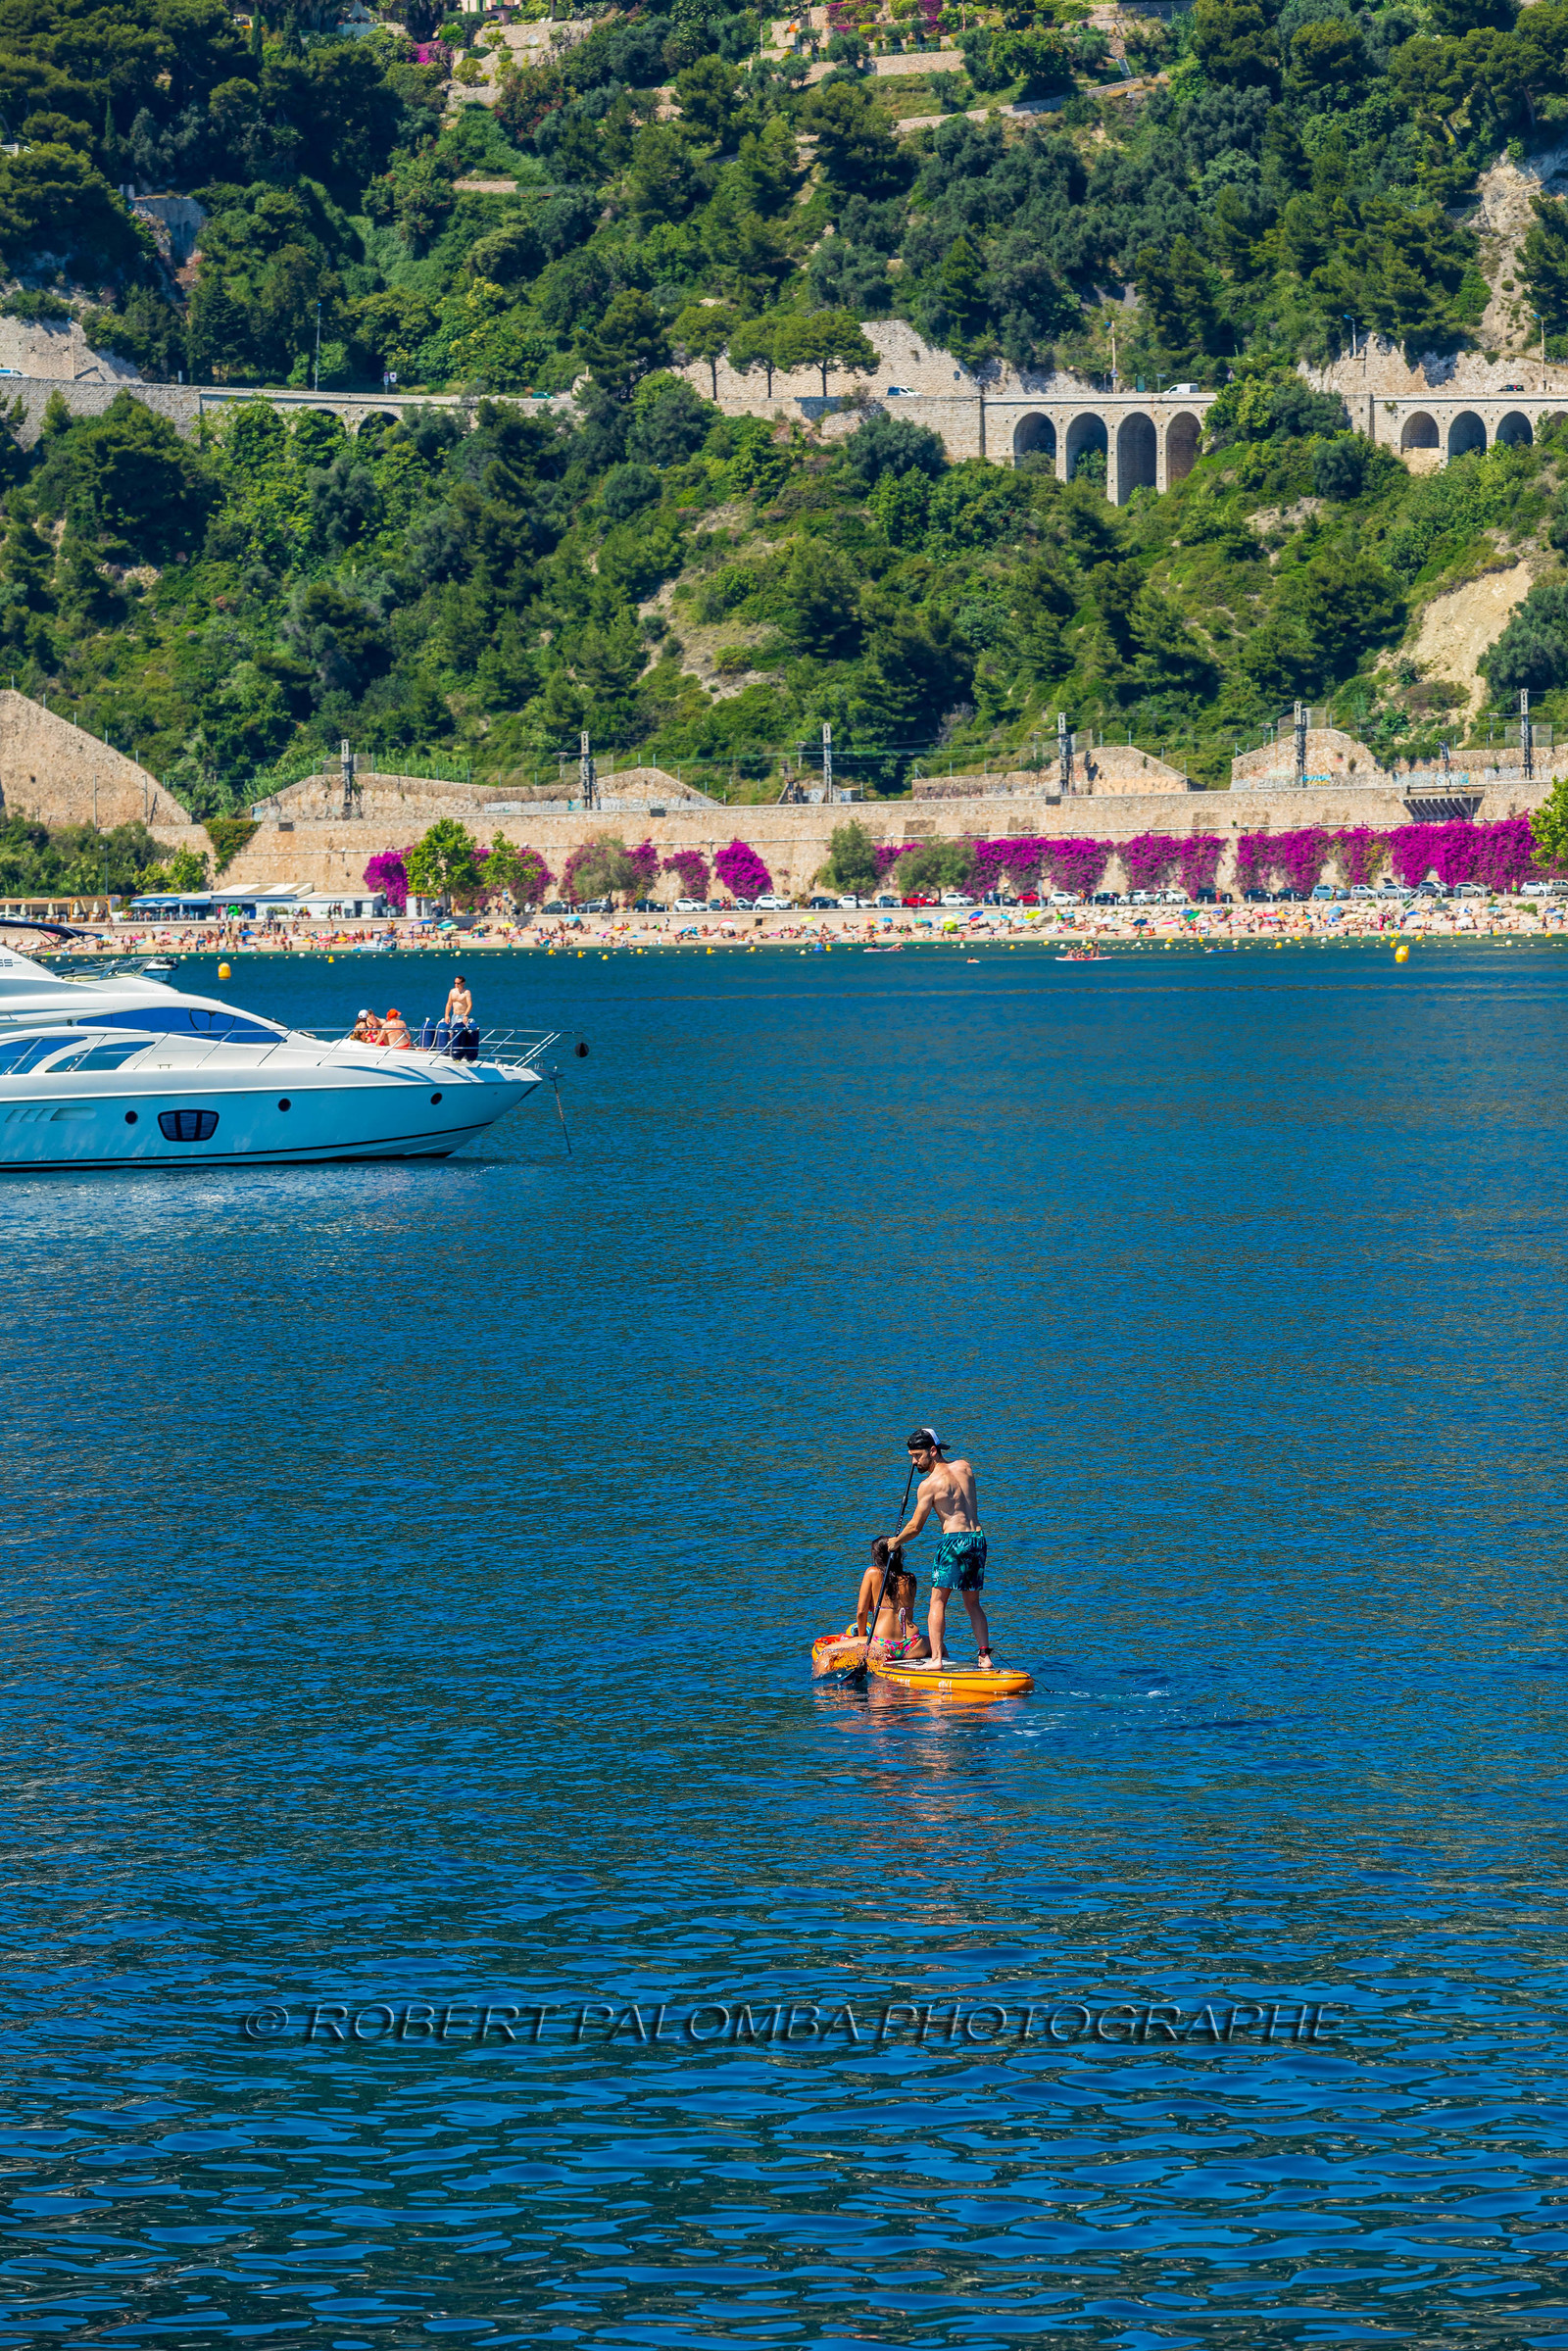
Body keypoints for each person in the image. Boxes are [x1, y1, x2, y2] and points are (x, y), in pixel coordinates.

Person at [887, 1427, 992, 1671]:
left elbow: (914, 1527)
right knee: (972, 1603)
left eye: (917, 1456)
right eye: (912, 1456)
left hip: (953, 1541)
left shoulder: (928, 1485)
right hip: (977, 1540)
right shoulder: (965, 1466)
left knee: (937, 1601)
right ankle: (984, 1657)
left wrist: (896, 1542)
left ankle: (936, 1660)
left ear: (932, 1451)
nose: (914, 1462)